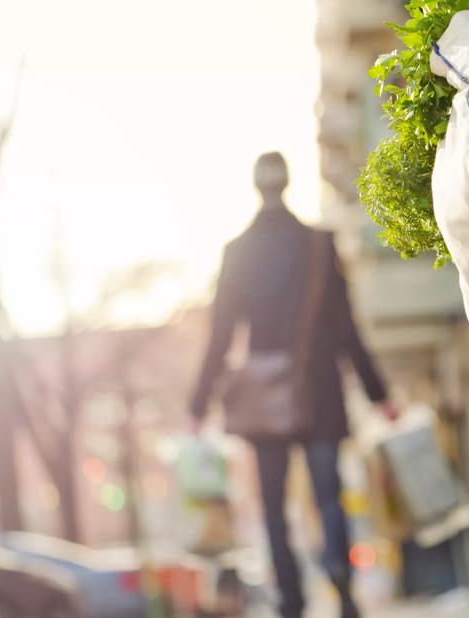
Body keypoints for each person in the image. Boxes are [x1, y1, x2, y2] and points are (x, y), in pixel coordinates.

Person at [190, 152, 397, 618]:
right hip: (320, 389)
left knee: (274, 506)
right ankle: (343, 591)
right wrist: (378, 394)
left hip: (265, 399)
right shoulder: (320, 247)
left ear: (255, 187)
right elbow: (347, 329)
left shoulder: (237, 252)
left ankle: (291, 599)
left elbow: (221, 335)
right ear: (287, 183)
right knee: (329, 499)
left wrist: (198, 404)